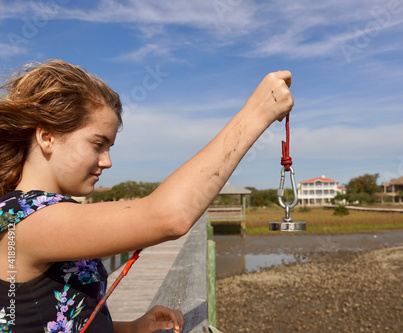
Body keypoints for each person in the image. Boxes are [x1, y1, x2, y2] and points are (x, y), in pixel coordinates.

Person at [0, 59, 293, 332]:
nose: (106, 161)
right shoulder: (22, 219)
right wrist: (258, 112)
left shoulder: (42, 213)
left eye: (110, 147)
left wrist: (131, 328)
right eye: (98, 144)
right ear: (48, 137)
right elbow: (169, 217)